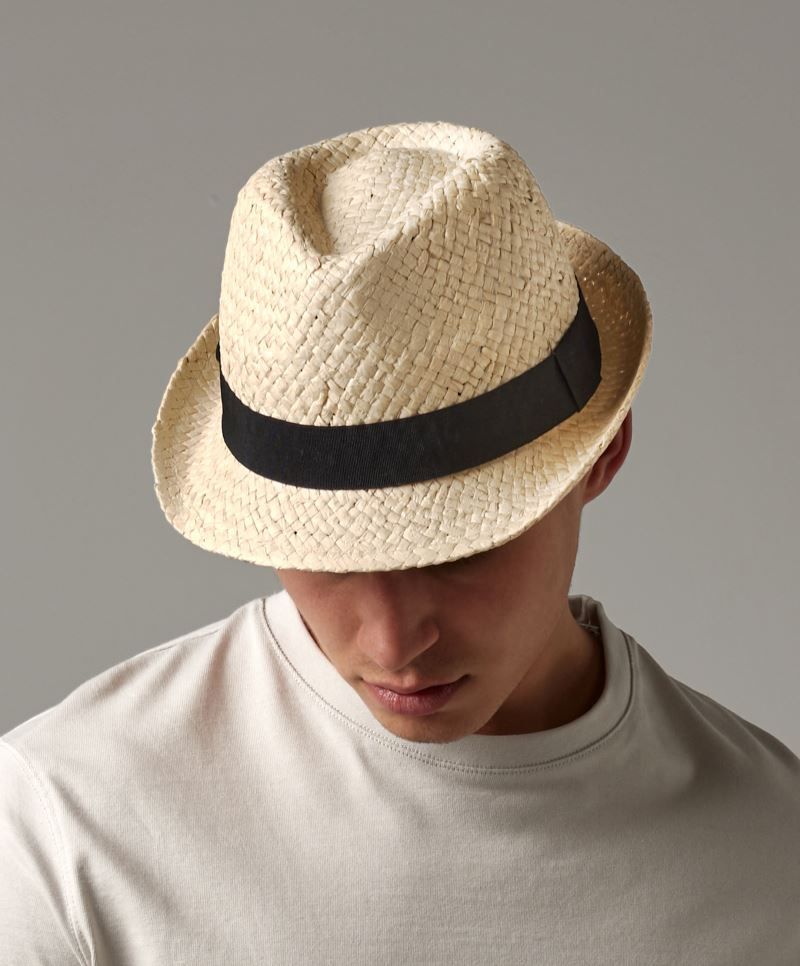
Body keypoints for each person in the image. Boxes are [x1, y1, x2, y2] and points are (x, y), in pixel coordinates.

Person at [2, 121, 798, 965]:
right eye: (328, 552)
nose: (392, 644)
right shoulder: (71, 823)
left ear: (601, 457)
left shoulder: (772, 856)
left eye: (457, 549)